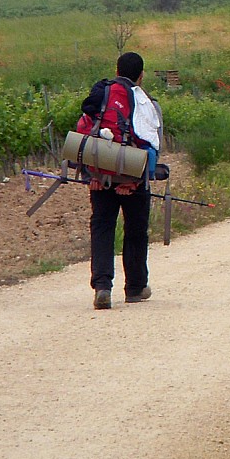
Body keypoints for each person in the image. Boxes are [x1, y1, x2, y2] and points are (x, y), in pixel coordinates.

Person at [77, 51, 163, 310]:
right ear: (141, 75)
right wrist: (134, 181)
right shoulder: (147, 102)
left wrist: (91, 175)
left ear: (116, 71)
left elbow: (84, 135)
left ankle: (102, 286)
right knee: (136, 229)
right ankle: (135, 288)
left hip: (99, 175)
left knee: (102, 227)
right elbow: (152, 145)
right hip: (133, 180)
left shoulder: (100, 96)